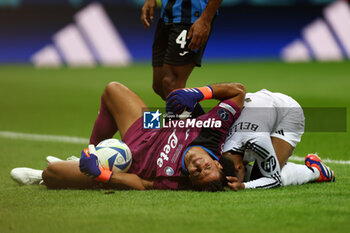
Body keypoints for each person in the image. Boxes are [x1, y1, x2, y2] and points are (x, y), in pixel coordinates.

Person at [11, 81, 245, 191]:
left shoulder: (175, 181)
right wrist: (198, 93)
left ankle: (44, 176)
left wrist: (100, 173)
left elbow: (140, 183)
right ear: (217, 163)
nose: (198, 168)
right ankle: (89, 153)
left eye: (197, 175)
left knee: (52, 173)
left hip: (130, 160)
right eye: (207, 168)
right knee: (113, 90)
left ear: (191, 180)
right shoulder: (214, 131)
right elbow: (238, 92)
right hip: (149, 126)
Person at [220, 89, 335, 191]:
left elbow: (273, 180)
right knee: (257, 173)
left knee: (261, 177)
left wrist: (244, 186)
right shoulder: (216, 143)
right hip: (259, 108)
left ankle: (316, 170)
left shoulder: (257, 141)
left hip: (286, 112)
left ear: (239, 167)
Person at [141, 0, 223, 100]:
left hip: (191, 18)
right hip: (167, 15)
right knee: (159, 86)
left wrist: (205, 20)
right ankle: (197, 115)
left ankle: (185, 115)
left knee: (171, 83)